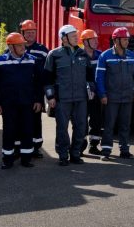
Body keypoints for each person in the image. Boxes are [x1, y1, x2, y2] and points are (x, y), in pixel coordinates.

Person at [0, 33, 43, 169]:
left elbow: (38, 82)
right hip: (8, 104)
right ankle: (8, 159)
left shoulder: (32, 60)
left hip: (27, 103)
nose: (22, 48)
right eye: (19, 45)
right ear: (10, 46)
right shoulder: (0, 61)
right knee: (9, 131)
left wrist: (38, 100)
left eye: (23, 45)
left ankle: (26, 159)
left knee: (27, 130)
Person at [44, 24, 90, 166]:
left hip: (81, 98)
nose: (76, 38)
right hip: (62, 99)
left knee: (81, 127)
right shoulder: (54, 55)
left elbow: (90, 76)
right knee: (62, 128)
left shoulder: (83, 54)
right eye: (73, 36)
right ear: (64, 38)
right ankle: (63, 155)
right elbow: (47, 78)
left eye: (76, 35)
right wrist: (51, 97)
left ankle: (75, 153)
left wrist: (91, 89)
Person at [95, 27, 134, 160]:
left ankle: (124, 150)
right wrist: (102, 94)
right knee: (109, 125)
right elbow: (99, 77)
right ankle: (106, 151)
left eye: (127, 40)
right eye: (124, 39)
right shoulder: (105, 56)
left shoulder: (131, 56)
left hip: (127, 97)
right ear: (116, 40)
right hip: (111, 98)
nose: (127, 42)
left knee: (125, 125)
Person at [20, 19, 49, 157]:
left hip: (36, 91)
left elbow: (47, 72)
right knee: (20, 120)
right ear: (23, 33)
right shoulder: (15, 47)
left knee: (36, 120)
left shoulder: (43, 50)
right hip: (20, 92)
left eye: (33, 32)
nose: (31, 35)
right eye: (28, 32)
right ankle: (20, 146)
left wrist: (42, 95)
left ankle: (36, 147)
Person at [80, 29, 103, 155]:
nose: (96, 41)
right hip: (82, 95)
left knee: (96, 120)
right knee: (81, 121)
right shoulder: (78, 55)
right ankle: (80, 147)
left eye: (96, 39)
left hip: (96, 94)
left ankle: (93, 146)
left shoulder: (100, 55)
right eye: (92, 39)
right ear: (85, 41)